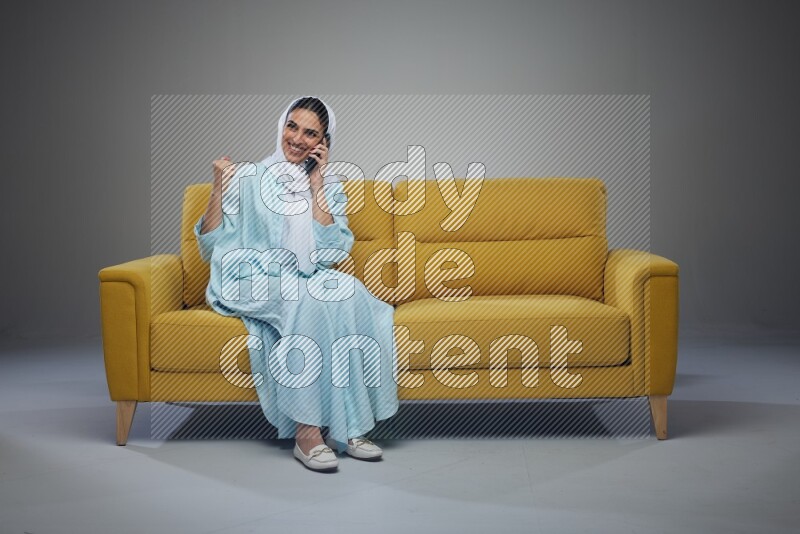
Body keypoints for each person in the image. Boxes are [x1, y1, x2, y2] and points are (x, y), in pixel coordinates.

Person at [193, 96, 400, 472]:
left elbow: (331, 249)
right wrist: (218, 187)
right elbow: (209, 245)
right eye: (292, 126)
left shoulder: (329, 185)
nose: (297, 138)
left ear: (324, 143)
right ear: (281, 127)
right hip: (247, 276)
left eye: (310, 133)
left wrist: (317, 184)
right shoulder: (249, 177)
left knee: (351, 293)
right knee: (303, 300)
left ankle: (351, 425)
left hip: (303, 275)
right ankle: (307, 434)